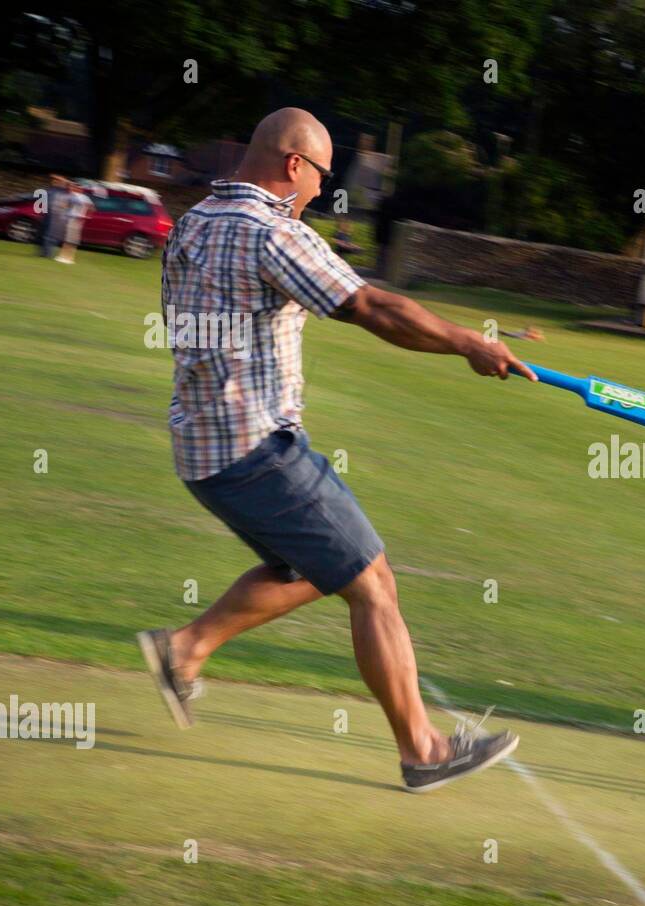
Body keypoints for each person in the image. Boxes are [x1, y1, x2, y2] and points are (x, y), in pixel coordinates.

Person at [138, 108, 531, 792]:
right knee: (374, 585)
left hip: (201, 446)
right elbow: (373, 308)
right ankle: (424, 751)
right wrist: (470, 343)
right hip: (256, 443)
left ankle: (185, 648)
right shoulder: (273, 232)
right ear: (294, 165)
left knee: (318, 566)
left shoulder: (194, 220)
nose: (322, 190)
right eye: (321, 175)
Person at [54, 181, 94, 264]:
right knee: (72, 239)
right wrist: (86, 215)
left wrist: (85, 215)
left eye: (75, 187)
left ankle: (66, 257)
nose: (72, 188)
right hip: (77, 220)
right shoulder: (84, 198)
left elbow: (63, 205)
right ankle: (68, 257)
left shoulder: (76, 196)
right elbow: (92, 208)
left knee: (69, 239)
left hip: (74, 219)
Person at [40, 175, 69, 259]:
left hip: (56, 216)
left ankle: (47, 254)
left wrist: (57, 177)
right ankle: (45, 253)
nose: (54, 182)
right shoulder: (52, 190)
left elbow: (65, 181)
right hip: (50, 214)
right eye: (54, 181)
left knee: (50, 235)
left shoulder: (62, 191)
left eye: (56, 181)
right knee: (46, 235)